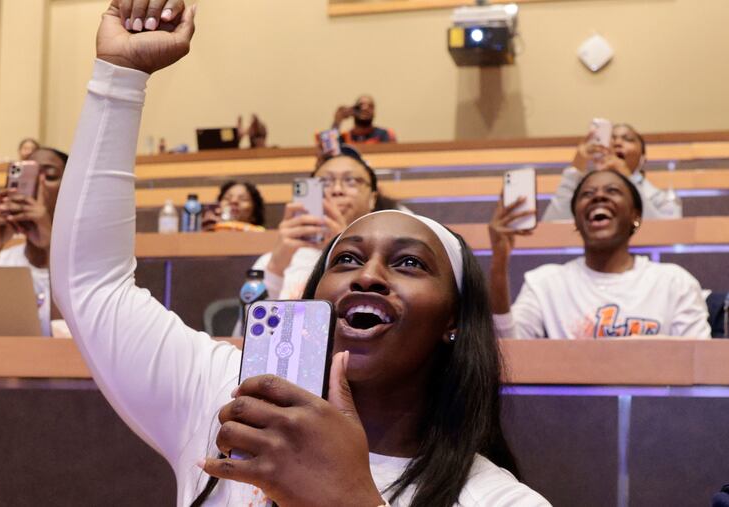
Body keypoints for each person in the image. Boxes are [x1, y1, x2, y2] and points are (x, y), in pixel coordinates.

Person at [50, 3, 549, 505]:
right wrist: (119, 77)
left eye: (409, 263)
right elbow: (93, 284)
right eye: (346, 260)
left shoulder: (500, 499)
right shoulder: (231, 397)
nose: (369, 275)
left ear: (454, 319)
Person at [490, 169, 711, 339]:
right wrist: (499, 264)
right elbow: (508, 350)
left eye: (612, 191)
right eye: (587, 193)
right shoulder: (544, 284)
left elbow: (700, 363)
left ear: (636, 215)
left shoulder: (675, 282)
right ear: (576, 220)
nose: (599, 197)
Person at [253, 144, 398, 300]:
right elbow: (247, 324)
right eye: (325, 182)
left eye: (350, 181)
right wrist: (276, 267)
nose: (336, 189)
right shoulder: (272, 261)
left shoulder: (386, 261)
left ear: (372, 198)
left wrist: (344, 248)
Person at [0, 147, 68, 336]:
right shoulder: (3, 259)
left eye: (49, 176)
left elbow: (65, 339)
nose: (36, 187)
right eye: (30, 177)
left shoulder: (83, 268)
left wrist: (52, 246)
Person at [542, 123, 682, 221]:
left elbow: (662, 233)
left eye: (628, 139)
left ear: (643, 157)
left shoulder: (662, 200)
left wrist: (627, 178)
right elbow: (552, 227)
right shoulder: (587, 194)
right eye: (612, 138)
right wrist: (577, 167)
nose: (617, 143)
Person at [201, 180, 265, 231]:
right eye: (227, 198)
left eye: (243, 199)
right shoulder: (206, 232)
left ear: (254, 215)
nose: (233, 201)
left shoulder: (262, 237)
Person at [333, 95, 397, 144]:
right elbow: (330, 150)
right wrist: (337, 121)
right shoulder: (345, 137)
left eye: (370, 106)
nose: (365, 108)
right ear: (353, 109)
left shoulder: (386, 134)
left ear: (374, 112)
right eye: (360, 105)